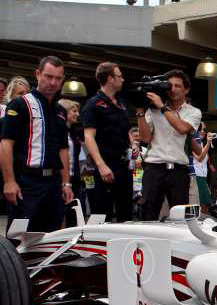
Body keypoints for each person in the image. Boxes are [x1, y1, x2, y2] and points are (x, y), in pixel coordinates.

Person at [0, 56, 73, 233]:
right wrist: (9, 181)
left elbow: (63, 149)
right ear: (38, 74)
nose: (53, 82)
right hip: (26, 182)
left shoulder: (60, 111)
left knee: (53, 235)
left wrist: (66, 183)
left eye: (58, 78)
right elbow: (5, 144)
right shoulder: (19, 104)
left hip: (54, 182)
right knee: (19, 237)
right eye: (48, 76)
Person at [136, 69, 202, 221]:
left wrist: (162, 107)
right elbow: (145, 138)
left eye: (178, 86)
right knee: (148, 215)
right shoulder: (153, 109)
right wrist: (140, 112)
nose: (173, 89)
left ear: (186, 89)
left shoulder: (193, 112)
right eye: (170, 86)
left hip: (178, 171)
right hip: (153, 169)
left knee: (180, 217)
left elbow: (182, 128)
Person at [82, 62, 133, 223]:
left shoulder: (121, 102)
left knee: (126, 212)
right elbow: (89, 137)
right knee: (103, 213)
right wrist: (101, 165)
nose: (122, 79)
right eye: (120, 76)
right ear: (110, 79)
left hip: (124, 165)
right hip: (106, 164)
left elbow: (127, 129)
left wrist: (133, 144)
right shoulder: (93, 104)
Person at [59, 99, 88, 225]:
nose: (77, 114)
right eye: (74, 111)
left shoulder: (73, 132)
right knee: (60, 215)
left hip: (74, 178)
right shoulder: (58, 130)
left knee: (73, 214)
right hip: (61, 178)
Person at [192, 123, 215, 214]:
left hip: (203, 176)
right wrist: (208, 143)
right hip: (196, 176)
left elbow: (204, 159)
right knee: (201, 204)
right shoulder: (192, 142)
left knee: (206, 203)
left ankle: (204, 220)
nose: (203, 131)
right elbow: (200, 158)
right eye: (200, 129)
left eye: (204, 130)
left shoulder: (202, 143)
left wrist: (210, 164)